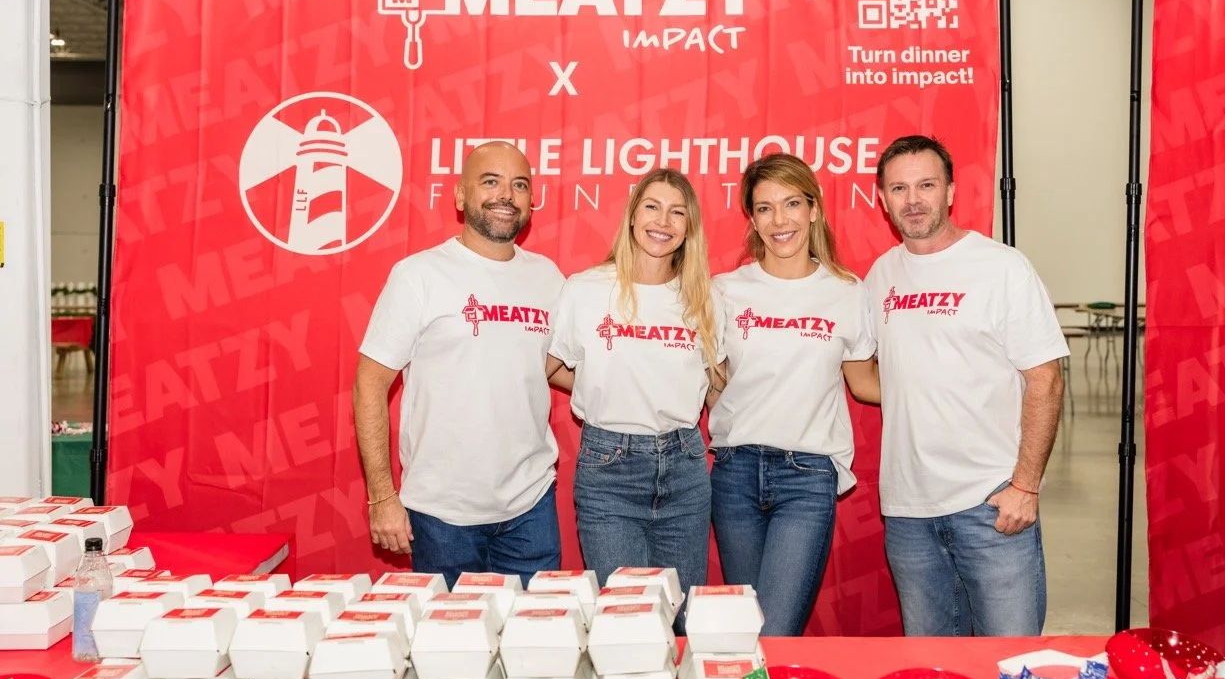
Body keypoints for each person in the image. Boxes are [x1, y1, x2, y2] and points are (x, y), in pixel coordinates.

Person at [863, 135, 1067, 637]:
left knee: (1007, 663)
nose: (913, 200)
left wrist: (1025, 486)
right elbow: (867, 372)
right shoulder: (880, 276)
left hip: (992, 506)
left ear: (951, 191)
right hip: (908, 515)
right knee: (932, 667)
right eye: (899, 188)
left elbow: (1045, 379)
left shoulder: (1002, 268)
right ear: (884, 200)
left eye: (926, 185)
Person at [354, 141, 564, 587]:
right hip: (441, 515)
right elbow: (370, 385)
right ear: (460, 195)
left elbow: (544, 365)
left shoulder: (548, 278)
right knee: (448, 653)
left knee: (536, 647)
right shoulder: (419, 275)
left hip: (531, 510)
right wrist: (381, 496)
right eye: (491, 181)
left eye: (519, 184)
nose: (506, 195)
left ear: (531, 200)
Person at [709, 153, 880, 636]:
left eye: (791, 204)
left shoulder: (847, 292)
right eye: (764, 208)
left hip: (807, 477)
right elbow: (713, 382)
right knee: (743, 632)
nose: (779, 220)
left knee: (776, 633)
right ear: (751, 218)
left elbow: (864, 381)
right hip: (734, 473)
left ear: (814, 209)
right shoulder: (725, 290)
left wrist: (939, 391)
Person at [546, 168, 721, 629]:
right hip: (610, 471)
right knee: (627, 623)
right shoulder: (585, 289)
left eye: (677, 212)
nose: (663, 221)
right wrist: (601, 384)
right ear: (631, 215)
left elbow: (715, 382)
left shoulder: (704, 296)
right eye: (652, 206)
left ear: (689, 227)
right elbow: (552, 368)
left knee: (681, 623)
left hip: (684, 467)